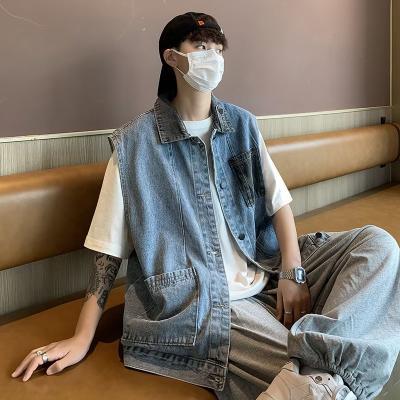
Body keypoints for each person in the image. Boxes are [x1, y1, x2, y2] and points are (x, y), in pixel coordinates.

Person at [10, 11, 400, 400]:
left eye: (218, 48)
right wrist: (82, 337)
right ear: (171, 57)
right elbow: (107, 253)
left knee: (376, 245)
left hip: (263, 268)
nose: (213, 56)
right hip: (205, 304)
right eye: (200, 46)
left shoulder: (242, 124)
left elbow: (278, 202)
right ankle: (325, 371)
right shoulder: (134, 146)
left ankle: (321, 365)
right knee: (307, 374)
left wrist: (292, 272)